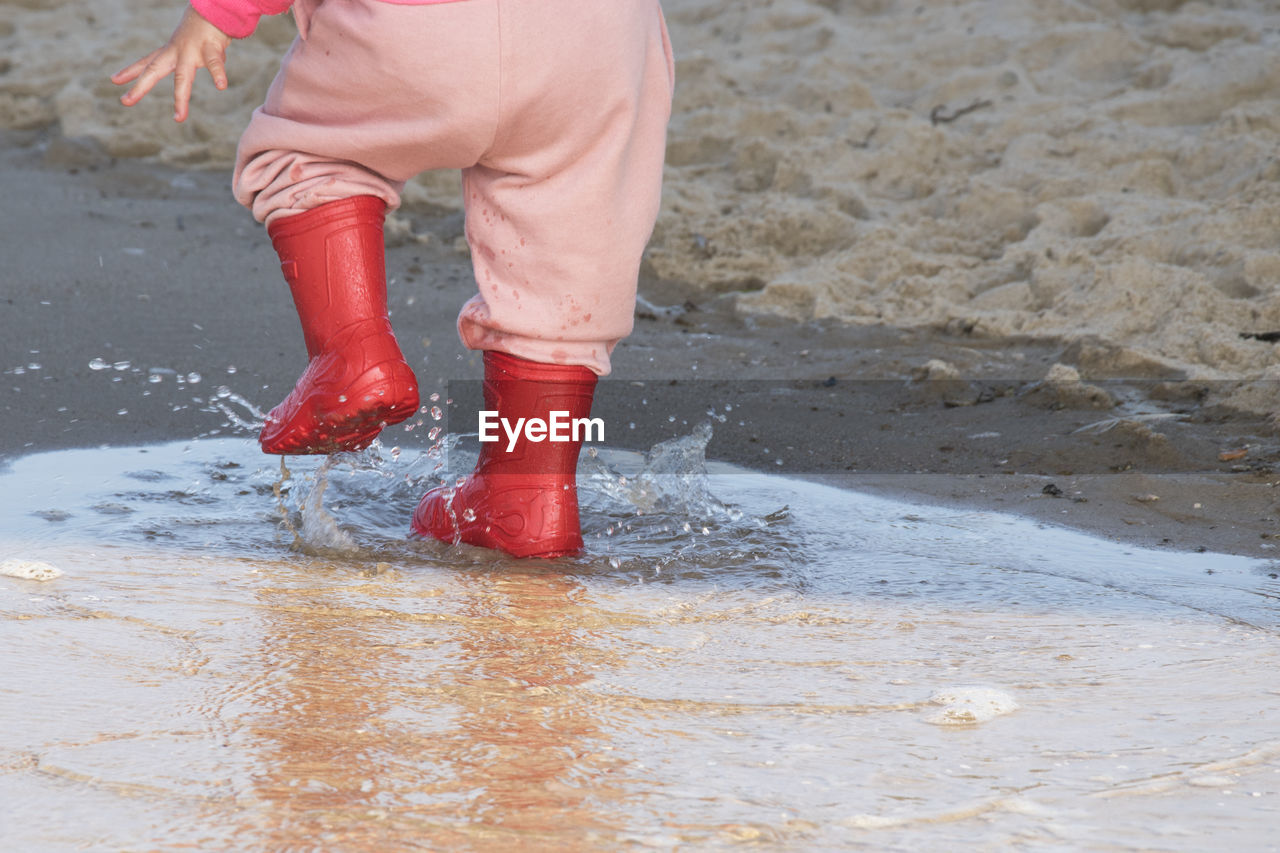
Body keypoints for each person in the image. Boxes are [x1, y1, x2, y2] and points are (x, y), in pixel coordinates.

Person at [113, 0, 674, 558]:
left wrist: (216, 14)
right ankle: (528, 495)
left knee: (311, 156)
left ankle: (353, 355)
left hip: (417, 30)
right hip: (591, 41)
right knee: (569, 241)